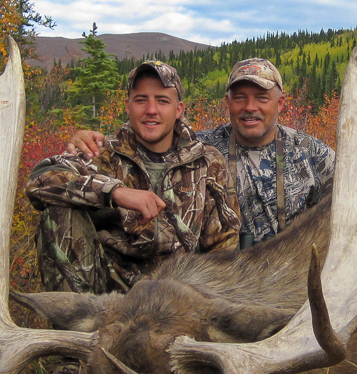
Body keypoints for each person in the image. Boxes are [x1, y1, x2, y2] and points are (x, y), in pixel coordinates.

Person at [70, 58, 336, 248]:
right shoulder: (201, 149)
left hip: (293, 280)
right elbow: (150, 134)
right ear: (227, 102)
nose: (249, 107)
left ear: (281, 103)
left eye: (262, 98)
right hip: (222, 277)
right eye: (240, 97)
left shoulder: (313, 154)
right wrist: (92, 139)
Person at [26, 60, 240, 295]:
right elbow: (40, 178)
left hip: (178, 298)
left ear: (178, 109)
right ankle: (76, 325)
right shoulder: (100, 152)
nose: (151, 110)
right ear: (128, 106)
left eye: (162, 100)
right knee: (57, 212)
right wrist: (114, 192)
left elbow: (223, 246)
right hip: (106, 297)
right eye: (141, 100)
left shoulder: (208, 161)